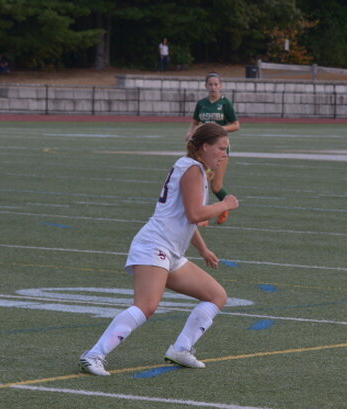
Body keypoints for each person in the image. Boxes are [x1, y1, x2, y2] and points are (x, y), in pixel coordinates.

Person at [79, 123, 240, 376]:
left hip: (170, 251)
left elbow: (186, 218)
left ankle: (181, 349)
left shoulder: (194, 168)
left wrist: (203, 249)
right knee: (146, 306)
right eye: (221, 148)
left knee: (216, 296)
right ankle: (93, 355)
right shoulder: (192, 170)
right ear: (204, 147)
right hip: (155, 245)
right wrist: (225, 204)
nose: (224, 154)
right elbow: (195, 214)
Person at [185, 72, 240, 226]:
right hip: (203, 148)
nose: (213, 87)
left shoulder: (225, 103)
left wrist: (218, 129)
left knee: (216, 186)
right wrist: (190, 133)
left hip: (220, 148)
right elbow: (195, 122)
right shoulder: (201, 103)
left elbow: (236, 125)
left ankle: (225, 207)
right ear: (206, 86)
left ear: (220, 86)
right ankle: (203, 217)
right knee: (201, 180)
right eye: (210, 84)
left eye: (216, 84)